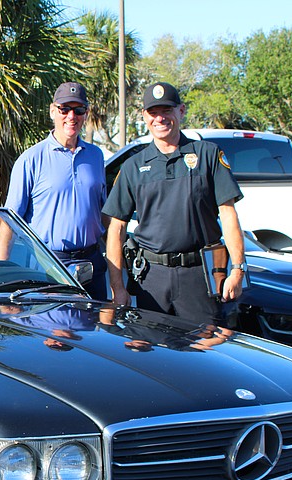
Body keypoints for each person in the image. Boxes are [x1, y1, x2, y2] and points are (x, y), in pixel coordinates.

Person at [102, 82, 246, 324]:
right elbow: (116, 228)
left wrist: (238, 270)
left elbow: (228, 214)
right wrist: (118, 287)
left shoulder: (207, 155)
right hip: (151, 279)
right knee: (154, 358)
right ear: (144, 117)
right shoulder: (133, 167)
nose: (160, 118)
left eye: (166, 110)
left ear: (181, 111)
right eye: (153, 112)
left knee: (204, 355)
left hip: (198, 276)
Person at [0, 81, 109, 300]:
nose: (71, 116)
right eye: (64, 109)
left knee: (94, 333)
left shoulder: (96, 156)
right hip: (49, 266)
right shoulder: (31, 159)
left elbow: (103, 214)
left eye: (78, 110)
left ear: (85, 114)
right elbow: (10, 221)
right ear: (52, 111)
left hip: (92, 263)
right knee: (52, 333)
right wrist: (0, 275)